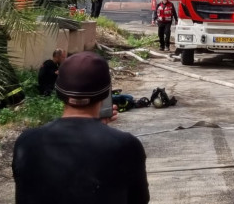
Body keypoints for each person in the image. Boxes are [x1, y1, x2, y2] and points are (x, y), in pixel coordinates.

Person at [12, 51, 150, 204]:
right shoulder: (126, 145)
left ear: (58, 92)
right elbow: (138, 199)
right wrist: (102, 132)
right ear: (106, 94)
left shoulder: (27, 142)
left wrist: (99, 130)